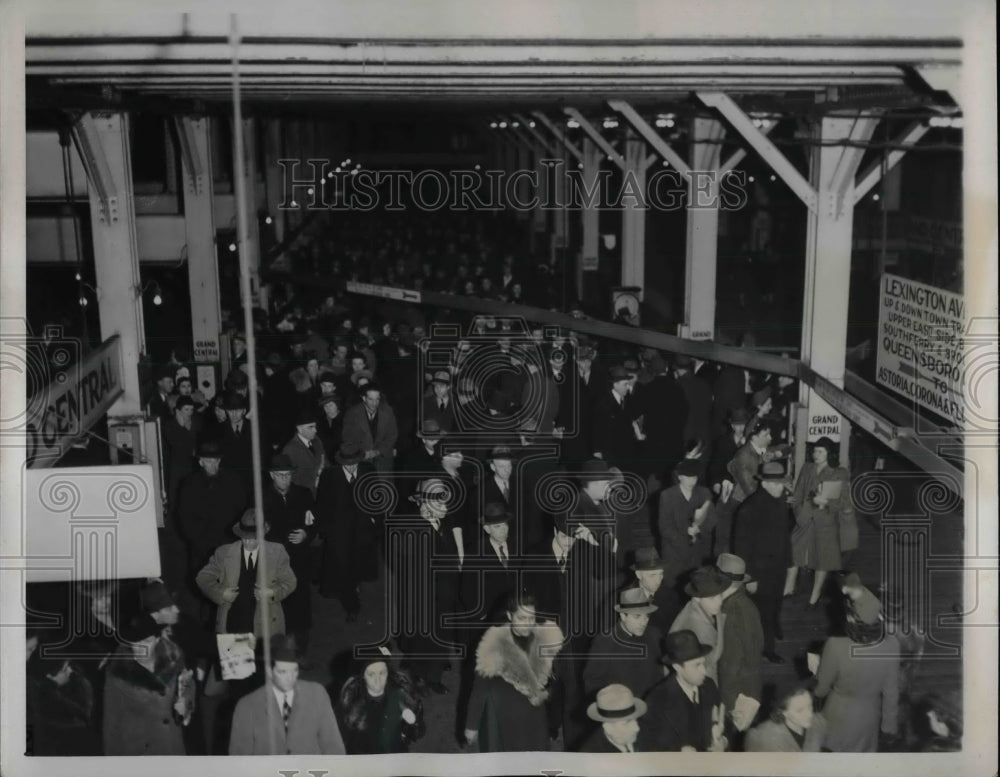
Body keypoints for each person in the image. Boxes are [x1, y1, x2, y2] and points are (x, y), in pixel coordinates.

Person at [464, 592, 564, 752]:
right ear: (510, 616)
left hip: (536, 714)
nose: (527, 624)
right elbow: (479, 688)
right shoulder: (493, 644)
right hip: (506, 714)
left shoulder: (545, 639)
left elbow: (556, 680)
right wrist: (471, 726)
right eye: (521, 618)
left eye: (531, 618)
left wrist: (545, 694)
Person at [229, 633, 346, 754]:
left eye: (294, 670)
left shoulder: (317, 693)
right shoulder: (247, 706)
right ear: (269, 671)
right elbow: (240, 757)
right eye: (282, 672)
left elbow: (333, 744)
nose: (290, 678)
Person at [195, 509, 297, 638]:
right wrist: (221, 593)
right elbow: (203, 578)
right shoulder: (224, 552)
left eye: (253, 538)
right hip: (233, 623)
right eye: (244, 537)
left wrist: (272, 592)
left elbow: (290, 582)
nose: (248, 542)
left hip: (267, 625)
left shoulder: (277, 552)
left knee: (264, 658)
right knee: (237, 658)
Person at [102, 615, 195, 755]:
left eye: (146, 641)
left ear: (157, 640)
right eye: (135, 642)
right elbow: (111, 724)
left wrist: (186, 704)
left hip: (172, 745)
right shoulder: (117, 674)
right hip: (139, 753)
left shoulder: (173, 658)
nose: (141, 648)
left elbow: (188, 683)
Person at [732, 461, 794, 662]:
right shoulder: (749, 508)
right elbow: (741, 547)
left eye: (782, 483)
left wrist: (791, 567)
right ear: (764, 483)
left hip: (778, 568)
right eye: (775, 484)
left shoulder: (781, 502)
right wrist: (749, 578)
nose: (780, 487)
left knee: (775, 605)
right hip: (759, 572)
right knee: (763, 612)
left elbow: (785, 537)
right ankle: (768, 649)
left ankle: (774, 631)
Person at [812, 618, 901, 752]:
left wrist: (817, 673)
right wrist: (889, 727)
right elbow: (891, 691)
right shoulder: (892, 644)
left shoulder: (835, 644)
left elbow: (821, 689)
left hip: (838, 715)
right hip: (869, 717)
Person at [785, 436, 854, 606]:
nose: (816, 454)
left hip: (826, 521)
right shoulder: (807, 468)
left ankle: (815, 595)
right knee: (794, 551)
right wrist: (799, 512)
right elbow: (798, 494)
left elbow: (844, 502)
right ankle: (788, 587)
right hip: (804, 518)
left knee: (822, 559)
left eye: (820, 451)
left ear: (829, 454)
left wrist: (826, 503)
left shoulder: (839, 473)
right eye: (815, 451)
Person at [314, 442, 377, 619]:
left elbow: (377, 497)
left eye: (354, 463)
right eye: (347, 464)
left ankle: (354, 587)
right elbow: (322, 504)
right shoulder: (329, 475)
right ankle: (352, 607)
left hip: (362, 529)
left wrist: (374, 520)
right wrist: (325, 530)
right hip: (339, 530)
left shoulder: (369, 470)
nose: (351, 467)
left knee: (358, 564)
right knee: (343, 566)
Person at [261, 454, 317, 648]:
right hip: (274, 562)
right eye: (280, 475)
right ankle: (280, 651)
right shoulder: (261, 498)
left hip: (300, 560)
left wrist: (306, 534)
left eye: (288, 474)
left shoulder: (304, 494)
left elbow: (314, 523)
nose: (284, 478)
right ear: (272, 475)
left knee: (301, 607)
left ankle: (300, 651)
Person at [644, 630, 729, 752]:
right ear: (677, 667)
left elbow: (724, 724)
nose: (704, 671)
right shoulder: (657, 699)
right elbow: (650, 746)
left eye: (703, 664)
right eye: (697, 665)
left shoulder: (708, 685)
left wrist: (723, 741)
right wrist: (678, 752)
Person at [337, 646, 425, 754]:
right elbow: (339, 737)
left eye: (382, 673)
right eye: (371, 674)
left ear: (388, 672)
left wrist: (414, 722)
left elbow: (419, 734)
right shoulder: (350, 702)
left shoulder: (403, 695)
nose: (378, 680)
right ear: (362, 676)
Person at [583, 587, 665, 701]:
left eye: (647, 616)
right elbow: (592, 682)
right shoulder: (605, 641)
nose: (643, 622)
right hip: (621, 709)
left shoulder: (654, 635)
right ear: (622, 616)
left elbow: (660, 675)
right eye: (637, 616)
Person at [715, 553, 765, 733]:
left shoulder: (732, 612)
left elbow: (731, 665)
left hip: (738, 694)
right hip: (750, 686)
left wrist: (728, 704)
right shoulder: (745, 604)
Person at [657, 459, 716, 590]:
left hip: (698, 553)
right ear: (679, 477)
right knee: (674, 589)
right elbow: (664, 526)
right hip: (674, 553)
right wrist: (686, 532)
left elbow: (712, 519)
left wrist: (699, 529)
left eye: (694, 478)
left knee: (697, 589)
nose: (691, 482)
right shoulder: (667, 495)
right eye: (687, 478)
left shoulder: (704, 493)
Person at [669, 566, 730, 684]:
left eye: (720, 595)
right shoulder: (697, 624)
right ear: (697, 598)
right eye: (713, 598)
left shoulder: (697, 608)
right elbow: (705, 668)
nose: (719, 602)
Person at [745, 684, 828, 752]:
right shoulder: (763, 737)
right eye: (800, 710)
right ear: (783, 712)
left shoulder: (819, 723)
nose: (809, 714)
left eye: (810, 706)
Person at [341, 382, 398, 474]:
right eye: (371, 399)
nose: (374, 403)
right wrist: (362, 454)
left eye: (377, 399)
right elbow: (348, 438)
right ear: (364, 398)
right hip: (361, 460)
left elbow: (392, 436)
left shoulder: (388, 411)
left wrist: (377, 451)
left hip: (383, 460)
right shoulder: (351, 413)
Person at [627, 547, 682, 633]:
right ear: (638, 575)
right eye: (652, 575)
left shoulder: (671, 596)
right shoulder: (623, 598)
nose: (658, 580)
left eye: (660, 574)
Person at [580, 684, 648, 753]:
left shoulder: (648, 737)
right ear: (608, 728)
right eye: (626, 723)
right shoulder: (591, 754)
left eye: (636, 720)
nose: (637, 728)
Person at [281, 407, 326, 497]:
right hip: (303, 496)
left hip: (323, 493)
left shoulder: (317, 441)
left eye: (315, 426)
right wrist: (315, 481)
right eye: (310, 427)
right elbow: (289, 479)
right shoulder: (290, 449)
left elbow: (325, 462)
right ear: (299, 429)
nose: (315, 430)